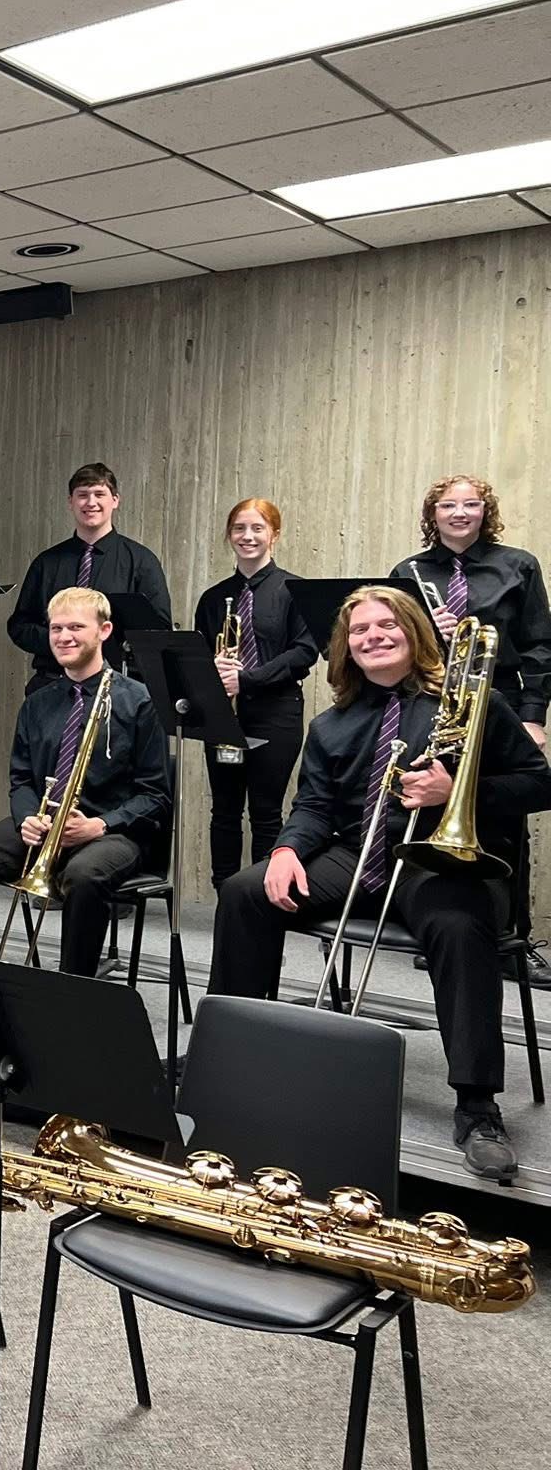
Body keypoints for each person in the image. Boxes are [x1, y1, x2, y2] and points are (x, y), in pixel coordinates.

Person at [208, 586, 551, 1180]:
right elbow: (313, 803)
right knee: (244, 891)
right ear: (347, 649)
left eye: (386, 624)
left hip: (439, 862)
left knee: (457, 923)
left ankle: (476, 1105)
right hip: (355, 856)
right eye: (360, 631)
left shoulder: (473, 704)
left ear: (414, 631)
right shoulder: (332, 723)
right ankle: (236, 1052)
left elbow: (539, 783)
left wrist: (460, 793)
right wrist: (287, 848)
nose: (374, 636)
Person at [0, 588, 169, 977]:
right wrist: (27, 817)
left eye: (76, 627)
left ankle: (72, 984)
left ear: (104, 630)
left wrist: (99, 825)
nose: (64, 637)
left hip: (111, 831)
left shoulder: (140, 701)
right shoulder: (38, 703)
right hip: (45, 824)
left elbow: (156, 795)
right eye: (57, 628)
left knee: (83, 876)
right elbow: (22, 778)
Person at [391, 473, 549, 960]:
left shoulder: (517, 566)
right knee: (433, 810)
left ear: (486, 511)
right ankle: (439, 926)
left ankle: (508, 938)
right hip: (433, 702)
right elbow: (399, 648)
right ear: (432, 515)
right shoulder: (409, 572)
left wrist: (533, 715)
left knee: (504, 819)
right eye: (448, 506)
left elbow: (538, 646)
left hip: (498, 701)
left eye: (471, 505)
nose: (459, 514)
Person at [192, 499, 317, 889]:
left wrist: (246, 680)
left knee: (266, 811)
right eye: (239, 529)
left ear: (274, 535)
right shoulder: (213, 598)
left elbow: (303, 653)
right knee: (224, 811)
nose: (248, 536)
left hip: (275, 712)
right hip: (223, 715)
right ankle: (224, 891)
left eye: (258, 528)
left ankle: (261, 894)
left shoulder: (295, 591)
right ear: (229, 535)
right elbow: (200, 654)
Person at [8, 462, 171, 694]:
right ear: (70, 502)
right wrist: (66, 642)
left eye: (99, 494)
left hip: (116, 688)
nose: (91, 502)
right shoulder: (47, 563)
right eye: (82, 495)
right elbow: (20, 627)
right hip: (51, 684)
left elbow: (160, 632)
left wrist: (96, 645)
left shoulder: (142, 562)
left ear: (115, 500)